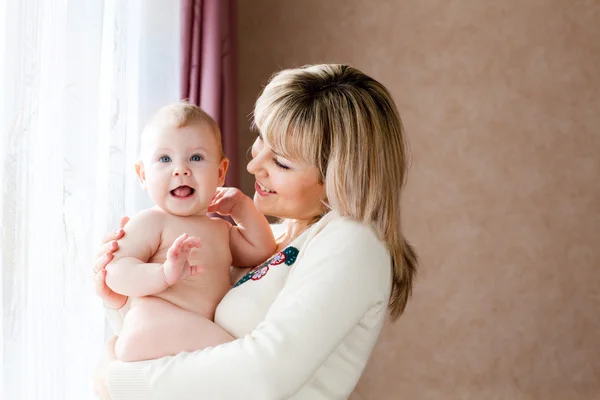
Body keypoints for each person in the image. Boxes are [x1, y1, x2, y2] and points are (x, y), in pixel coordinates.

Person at [92, 64, 418, 400]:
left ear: (339, 177)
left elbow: (265, 375)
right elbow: (173, 343)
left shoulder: (352, 242)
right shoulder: (275, 240)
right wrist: (118, 302)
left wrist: (117, 382)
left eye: (281, 162)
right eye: (261, 138)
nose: (252, 165)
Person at [104, 102, 276, 362]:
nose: (181, 169)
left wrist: (243, 208)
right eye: (164, 159)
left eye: (196, 158)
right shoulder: (149, 222)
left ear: (220, 173)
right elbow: (116, 273)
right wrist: (162, 274)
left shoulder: (221, 229)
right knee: (242, 358)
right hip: (155, 322)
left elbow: (261, 250)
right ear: (142, 174)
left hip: (190, 342)